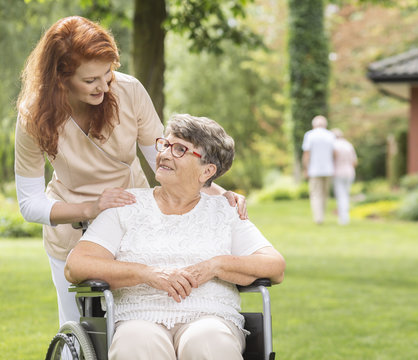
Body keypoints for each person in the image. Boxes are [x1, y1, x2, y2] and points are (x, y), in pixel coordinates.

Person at [14, 16, 246, 328]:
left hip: (133, 226)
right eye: (90, 79)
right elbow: (30, 204)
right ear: (60, 77)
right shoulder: (34, 116)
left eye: (108, 72)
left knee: (137, 322)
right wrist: (91, 208)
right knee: (80, 329)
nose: (104, 84)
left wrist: (221, 195)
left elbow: (168, 163)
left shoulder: (128, 91)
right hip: (70, 233)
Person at [65, 114, 286, 360]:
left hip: (210, 317)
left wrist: (216, 265)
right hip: (138, 316)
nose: (165, 154)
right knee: (136, 345)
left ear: (207, 171)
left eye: (180, 149)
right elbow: (76, 265)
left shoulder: (224, 212)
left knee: (209, 344)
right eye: (166, 145)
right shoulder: (126, 206)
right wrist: (147, 273)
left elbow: (275, 266)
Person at [302, 115, 336, 224]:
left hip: (314, 170)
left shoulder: (309, 135)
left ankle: (318, 217)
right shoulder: (330, 135)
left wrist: (306, 168)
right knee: (324, 194)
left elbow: (307, 154)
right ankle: (321, 215)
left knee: (316, 194)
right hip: (328, 169)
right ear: (325, 125)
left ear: (313, 125)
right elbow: (334, 153)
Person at [332, 128, 358, 225]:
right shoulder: (348, 145)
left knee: (340, 195)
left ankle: (343, 218)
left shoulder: (334, 145)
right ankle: (345, 216)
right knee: (346, 195)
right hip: (350, 173)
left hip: (338, 173)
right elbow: (354, 162)